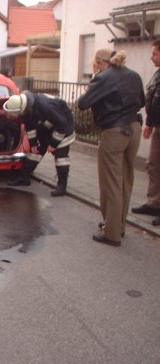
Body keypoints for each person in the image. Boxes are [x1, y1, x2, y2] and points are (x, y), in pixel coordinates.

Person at [78, 49, 145, 247]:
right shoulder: (133, 75)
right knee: (126, 180)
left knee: (111, 183)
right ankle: (118, 225)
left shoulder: (103, 77)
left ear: (100, 62)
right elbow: (141, 101)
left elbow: (83, 103)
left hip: (114, 132)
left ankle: (111, 233)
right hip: (134, 128)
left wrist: (96, 82)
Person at [3, 90, 76, 197]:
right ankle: (24, 178)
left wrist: (53, 144)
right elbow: (30, 127)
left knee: (61, 157)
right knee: (35, 152)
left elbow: (62, 124)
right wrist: (33, 144)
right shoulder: (25, 110)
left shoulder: (45, 106)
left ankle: (62, 186)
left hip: (63, 127)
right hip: (47, 127)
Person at [131, 40, 160, 226]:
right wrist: (149, 123)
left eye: (154, 54)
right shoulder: (158, 74)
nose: (151, 57)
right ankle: (154, 203)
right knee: (153, 165)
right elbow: (153, 100)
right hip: (158, 126)